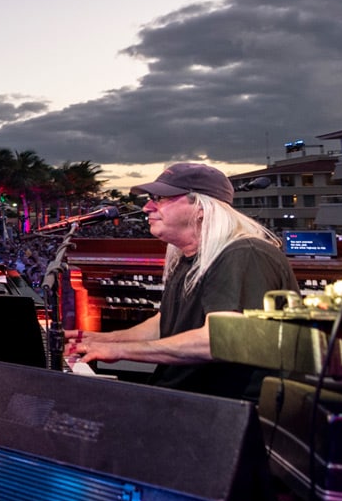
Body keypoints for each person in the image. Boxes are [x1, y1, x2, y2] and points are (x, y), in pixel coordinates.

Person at [65, 163, 297, 398]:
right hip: (185, 398)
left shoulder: (244, 253)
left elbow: (219, 339)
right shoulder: (190, 256)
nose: (147, 207)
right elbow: (165, 324)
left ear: (201, 207)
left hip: (227, 409)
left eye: (161, 198)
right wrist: (97, 340)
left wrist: (120, 350)